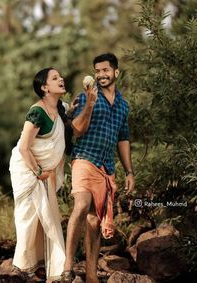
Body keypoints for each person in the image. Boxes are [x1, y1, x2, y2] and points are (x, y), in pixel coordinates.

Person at [61, 53, 135, 283]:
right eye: (98, 71)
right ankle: (67, 266)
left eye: (105, 70)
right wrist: (90, 103)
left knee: (94, 220)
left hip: (106, 167)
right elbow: (77, 131)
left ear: (116, 72)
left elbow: (123, 139)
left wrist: (129, 172)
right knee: (82, 205)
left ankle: (92, 275)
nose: (101, 74)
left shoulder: (123, 106)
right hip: (84, 158)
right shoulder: (86, 97)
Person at [9, 67, 68, 282]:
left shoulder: (61, 109)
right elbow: (24, 147)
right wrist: (38, 171)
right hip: (27, 169)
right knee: (28, 217)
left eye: (60, 76)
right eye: (55, 78)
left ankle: (44, 266)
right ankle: (22, 267)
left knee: (47, 217)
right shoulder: (37, 112)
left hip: (43, 172)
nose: (61, 79)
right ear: (44, 87)